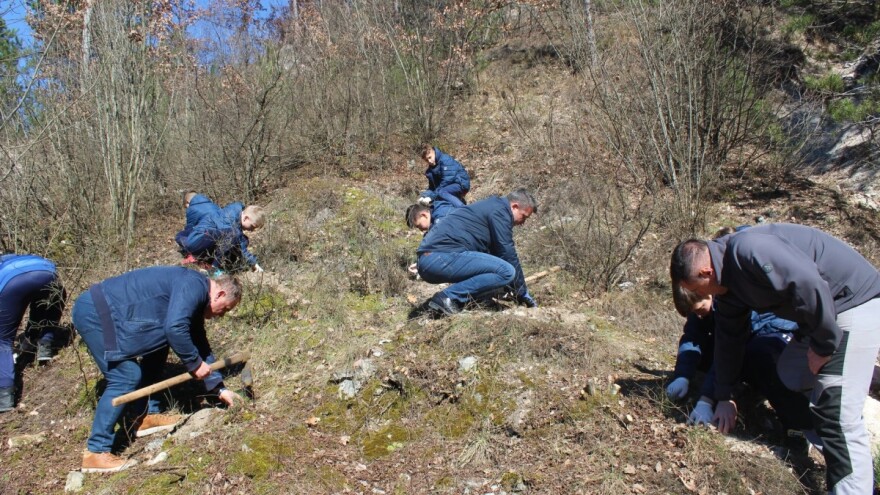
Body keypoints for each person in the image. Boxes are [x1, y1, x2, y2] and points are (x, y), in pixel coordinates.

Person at [670, 223, 880, 493]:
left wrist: (824, 345)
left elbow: (808, 283)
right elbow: (729, 340)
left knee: (837, 413)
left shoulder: (749, 250)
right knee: (792, 372)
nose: (702, 297)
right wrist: (722, 396)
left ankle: (855, 486)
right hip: (820, 318)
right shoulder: (728, 286)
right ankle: (842, 452)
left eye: (698, 290)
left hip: (852, 302)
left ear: (706, 272)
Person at [72, 266, 242, 473]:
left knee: (158, 347)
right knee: (125, 376)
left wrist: (219, 389)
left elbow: (198, 342)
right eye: (225, 308)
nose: (222, 315)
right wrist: (194, 363)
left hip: (111, 312)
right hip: (96, 312)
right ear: (220, 294)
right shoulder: (194, 285)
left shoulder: (195, 293)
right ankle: (96, 452)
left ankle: (143, 416)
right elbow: (174, 328)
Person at [668, 287, 814, 442]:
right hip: (741, 343)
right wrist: (682, 376)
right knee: (704, 355)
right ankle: (743, 388)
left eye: (699, 309)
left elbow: (729, 350)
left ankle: (798, 429)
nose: (698, 315)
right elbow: (692, 337)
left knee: (764, 359)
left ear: (709, 294)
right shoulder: (699, 307)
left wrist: (707, 399)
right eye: (693, 313)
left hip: (770, 337)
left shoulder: (734, 301)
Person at [416, 189, 538, 316]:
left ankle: (469, 300)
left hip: (430, 261)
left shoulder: (491, 207)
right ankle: (447, 297)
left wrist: (511, 287)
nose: (522, 223)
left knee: (499, 271)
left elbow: (493, 256)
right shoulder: (500, 211)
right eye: (523, 216)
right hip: (439, 258)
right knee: (507, 272)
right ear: (514, 206)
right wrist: (521, 291)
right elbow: (507, 252)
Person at [0, 254, 66, 412]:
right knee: (44, 301)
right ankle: (45, 347)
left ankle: (4, 396)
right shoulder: (25, 258)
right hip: (48, 273)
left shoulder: (4, 268)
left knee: (3, 340)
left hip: (12, 282)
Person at [175, 193, 266, 273]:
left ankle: (215, 264)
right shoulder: (229, 217)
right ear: (246, 218)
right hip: (197, 241)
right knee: (235, 235)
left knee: (243, 239)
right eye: (253, 226)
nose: (252, 230)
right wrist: (253, 262)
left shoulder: (235, 217)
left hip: (204, 240)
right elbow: (234, 242)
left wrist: (251, 261)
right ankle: (213, 269)